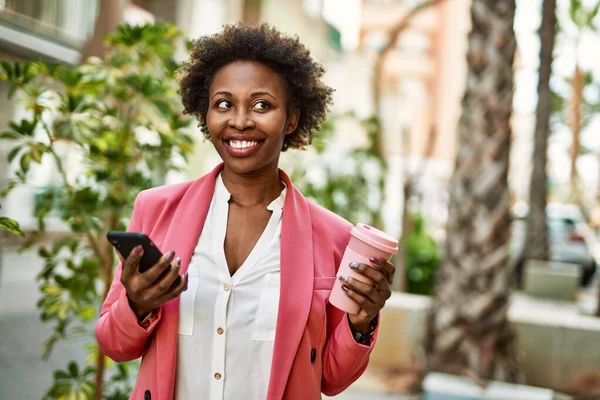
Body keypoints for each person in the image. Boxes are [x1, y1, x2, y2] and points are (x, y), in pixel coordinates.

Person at [96, 23, 394, 400]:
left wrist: (362, 321)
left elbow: (331, 379)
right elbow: (114, 344)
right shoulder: (156, 210)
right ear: (205, 113)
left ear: (292, 119)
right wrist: (136, 304)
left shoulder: (333, 237)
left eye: (262, 105)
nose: (239, 121)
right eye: (224, 104)